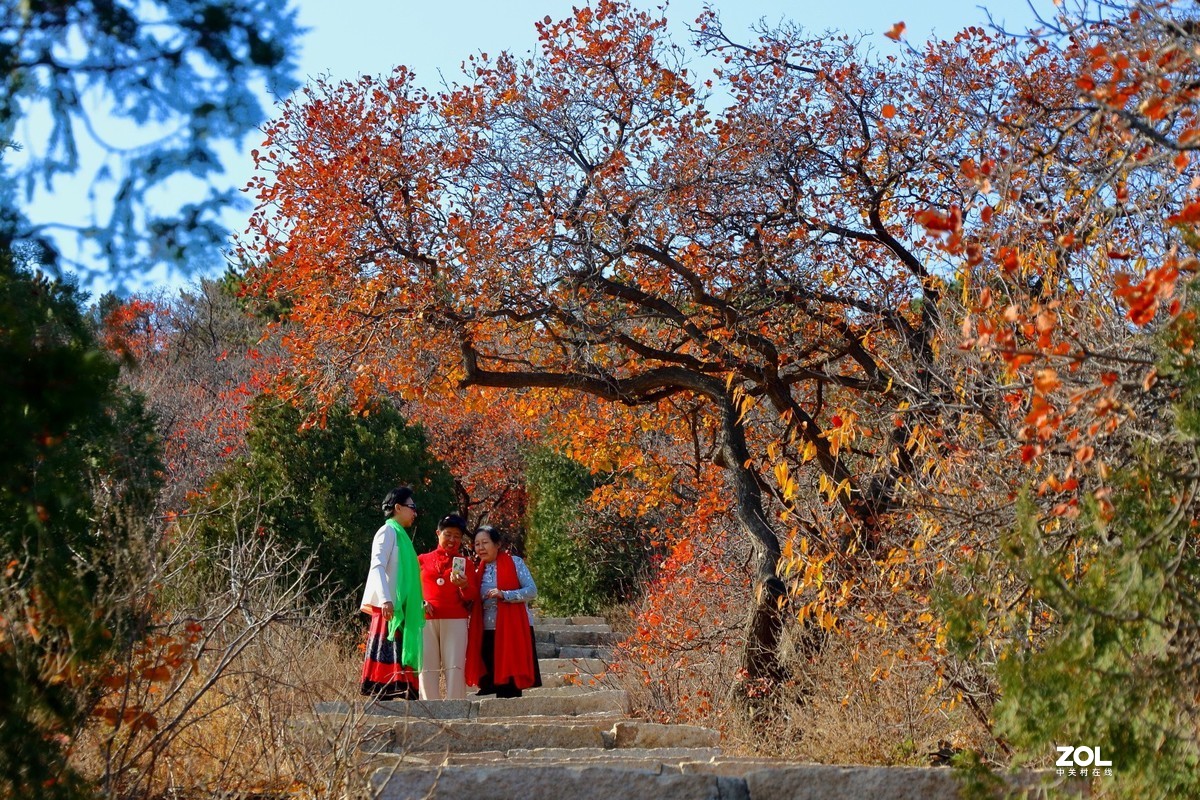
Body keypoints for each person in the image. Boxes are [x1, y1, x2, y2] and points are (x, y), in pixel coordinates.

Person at [359, 487, 424, 701]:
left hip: (404, 610)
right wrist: (386, 599)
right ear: (398, 507)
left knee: (402, 659)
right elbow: (377, 565)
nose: (414, 512)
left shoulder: (403, 537)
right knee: (385, 670)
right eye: (412, 507)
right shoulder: (387, 532)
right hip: (390, 609)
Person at [472, 525, 542, 698]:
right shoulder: (476, 571)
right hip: (486, 632)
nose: (480, 547)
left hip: (513, 630)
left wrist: (505, 594)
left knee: (509, 685)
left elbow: (531, 591)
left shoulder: (515, 563)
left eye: (485, 542)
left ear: (497, 544)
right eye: (477, 544)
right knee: (492, 681)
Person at [417, 514, 480, 700]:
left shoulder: (466, 564)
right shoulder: (422, 560)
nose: (452, 540)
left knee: (455, 666)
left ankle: (457, 709)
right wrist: (419, 602)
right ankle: (430, 710)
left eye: (457, 536)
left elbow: (472, 597)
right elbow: (410, 589)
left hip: (455, 619)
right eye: (448, 534)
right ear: (438, 533)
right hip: (425, 619)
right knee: (426, 668)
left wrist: (464, 585)